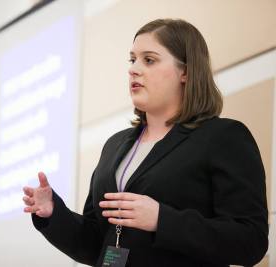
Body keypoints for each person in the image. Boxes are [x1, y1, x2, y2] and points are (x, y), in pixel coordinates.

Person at [22, 18, 268, 267]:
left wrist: (162, 220)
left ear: (186, 71)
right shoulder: (114, 146)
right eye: (132, 59)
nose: (134, 69)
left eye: (149, 60)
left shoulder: (223, 137)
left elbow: (250, 241)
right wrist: (54, 212)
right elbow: (96, 242)